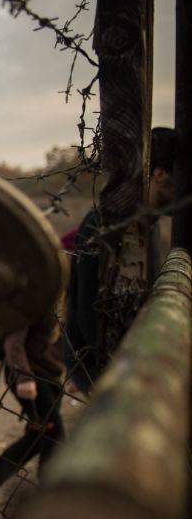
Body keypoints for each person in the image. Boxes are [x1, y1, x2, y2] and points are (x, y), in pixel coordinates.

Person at [63, 126, 177, 393]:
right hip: (107, 369)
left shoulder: (151, 223)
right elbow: (88, 307)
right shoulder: (106, 223)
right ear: (160, 173)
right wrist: (113, 370)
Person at [0, 307, 66, 511]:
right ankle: (49, 501)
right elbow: (13, 341)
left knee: (37, 436)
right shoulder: (39, 291)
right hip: (31, 377)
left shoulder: (64, 291)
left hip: (50, 374)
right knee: (54, 434)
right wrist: (24, 377)